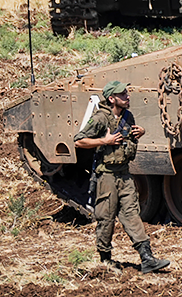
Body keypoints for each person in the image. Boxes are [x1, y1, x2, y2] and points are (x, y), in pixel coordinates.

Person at [74, 80, 170, 274]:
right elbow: (78, 141)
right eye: (123, 94)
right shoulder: (100, 118)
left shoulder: (128, 116)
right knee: (106, 218)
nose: (127, 97)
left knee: (132, 215)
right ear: (112, 99)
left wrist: (139, 133)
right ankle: (105, 259)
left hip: (124, 174)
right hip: (107, 176)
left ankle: (147, 258)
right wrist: (104, 140)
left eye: (127, 93)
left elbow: (128, 140)